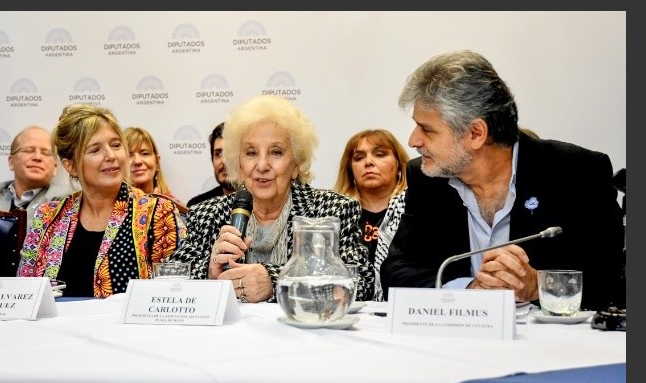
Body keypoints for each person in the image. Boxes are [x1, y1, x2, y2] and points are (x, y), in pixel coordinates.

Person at [380, 50, 625, 312]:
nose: (413, 141)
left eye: (427, 129)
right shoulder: (427, 178)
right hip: (455, 343)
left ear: (476, 133)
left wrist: (539, 286)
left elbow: (610, 280)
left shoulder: (577, 172)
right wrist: (469, 291)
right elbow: (396, 272)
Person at [167, 94, 374, 303]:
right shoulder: (206, 214)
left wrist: (274, 281)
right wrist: (209, 272)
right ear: (238, 164)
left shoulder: (331, 212)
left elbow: (361, 283)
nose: (262, 165)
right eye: (251, 153)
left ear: (296, 165)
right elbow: (170, 282)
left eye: (276, 152)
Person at [17, 104, 187, 298]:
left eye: (116, 145)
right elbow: (26, 294)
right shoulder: (47, 218)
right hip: (57, 327)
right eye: (95, 150)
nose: (111, 156)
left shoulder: (158, 212)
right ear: (70, 165)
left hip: (131, 328)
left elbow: (176, 294)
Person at [333, 129, 409, 301]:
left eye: (380, 154)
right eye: (359, 157)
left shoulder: (414, 212)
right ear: (350, 170)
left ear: (399, 165)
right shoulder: (336, 215)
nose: (368, 162)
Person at [0, 125, 77, 230]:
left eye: (45, 153)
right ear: (11, 162)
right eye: (29, 150)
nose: (37, 157)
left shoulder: (69, 199)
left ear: (55, 168)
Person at [123, 126, 189, 216]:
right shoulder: (110, 211)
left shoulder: (177, 210)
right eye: (129, 155)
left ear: (157, 162)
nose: (137, 161)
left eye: (144, 153)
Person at [187, 122, 236, 208]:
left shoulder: (260, 203)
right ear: (212, 160)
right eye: (218, 154)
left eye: (229, 153)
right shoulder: (196, 206)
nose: (224, 161)